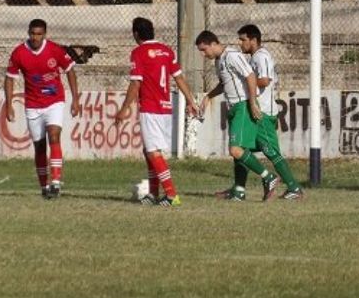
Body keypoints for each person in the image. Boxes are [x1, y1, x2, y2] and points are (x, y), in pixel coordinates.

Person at [114, 17, 199, 207]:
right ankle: (153, 194)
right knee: (149, 151)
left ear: (136, 34)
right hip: (166, 108)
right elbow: (179, 78)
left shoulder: (138, 52)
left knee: (153, 153)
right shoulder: (167, 51)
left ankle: (171, 195)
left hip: (151, 107)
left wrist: (123, 109)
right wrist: (191, 101)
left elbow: (136, 83)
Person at [217, 24, 303, 200]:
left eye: (243, 40)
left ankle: (294, 188)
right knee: (240, 148)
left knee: (271, 151)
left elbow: (264, 80)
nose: (241, 44)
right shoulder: (253, 57)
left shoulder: (261, 57)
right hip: (255, 110)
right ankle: (239, 189)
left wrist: (246, 79)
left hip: (263, 111)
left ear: (253, 40)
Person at [195, 30, 279, 201]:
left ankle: (268, 177)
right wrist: (208, 95)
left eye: (204, 50)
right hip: (233, 107)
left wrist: (253, 102)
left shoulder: (232, 55)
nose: (204, 54)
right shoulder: (220, 61)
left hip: (241, 106)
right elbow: (224, 83)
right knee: (240, 151)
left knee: (235, 150)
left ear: (213, 43)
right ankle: (239, 190)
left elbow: (250, 76)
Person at [4, 19, 81, 199]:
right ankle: (44, 186)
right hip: (32, 105)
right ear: (28, 33)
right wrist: (9, 105)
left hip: (54, 101)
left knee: (54, 135)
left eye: (39, 34)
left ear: (45, 34)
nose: (35, 37)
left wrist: (75, 99)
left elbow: (70, 70)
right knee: (39, 146)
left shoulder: (55, 50)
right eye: (32, 34)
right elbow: (9, 78)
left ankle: (55, 182)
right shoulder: (19, 53)